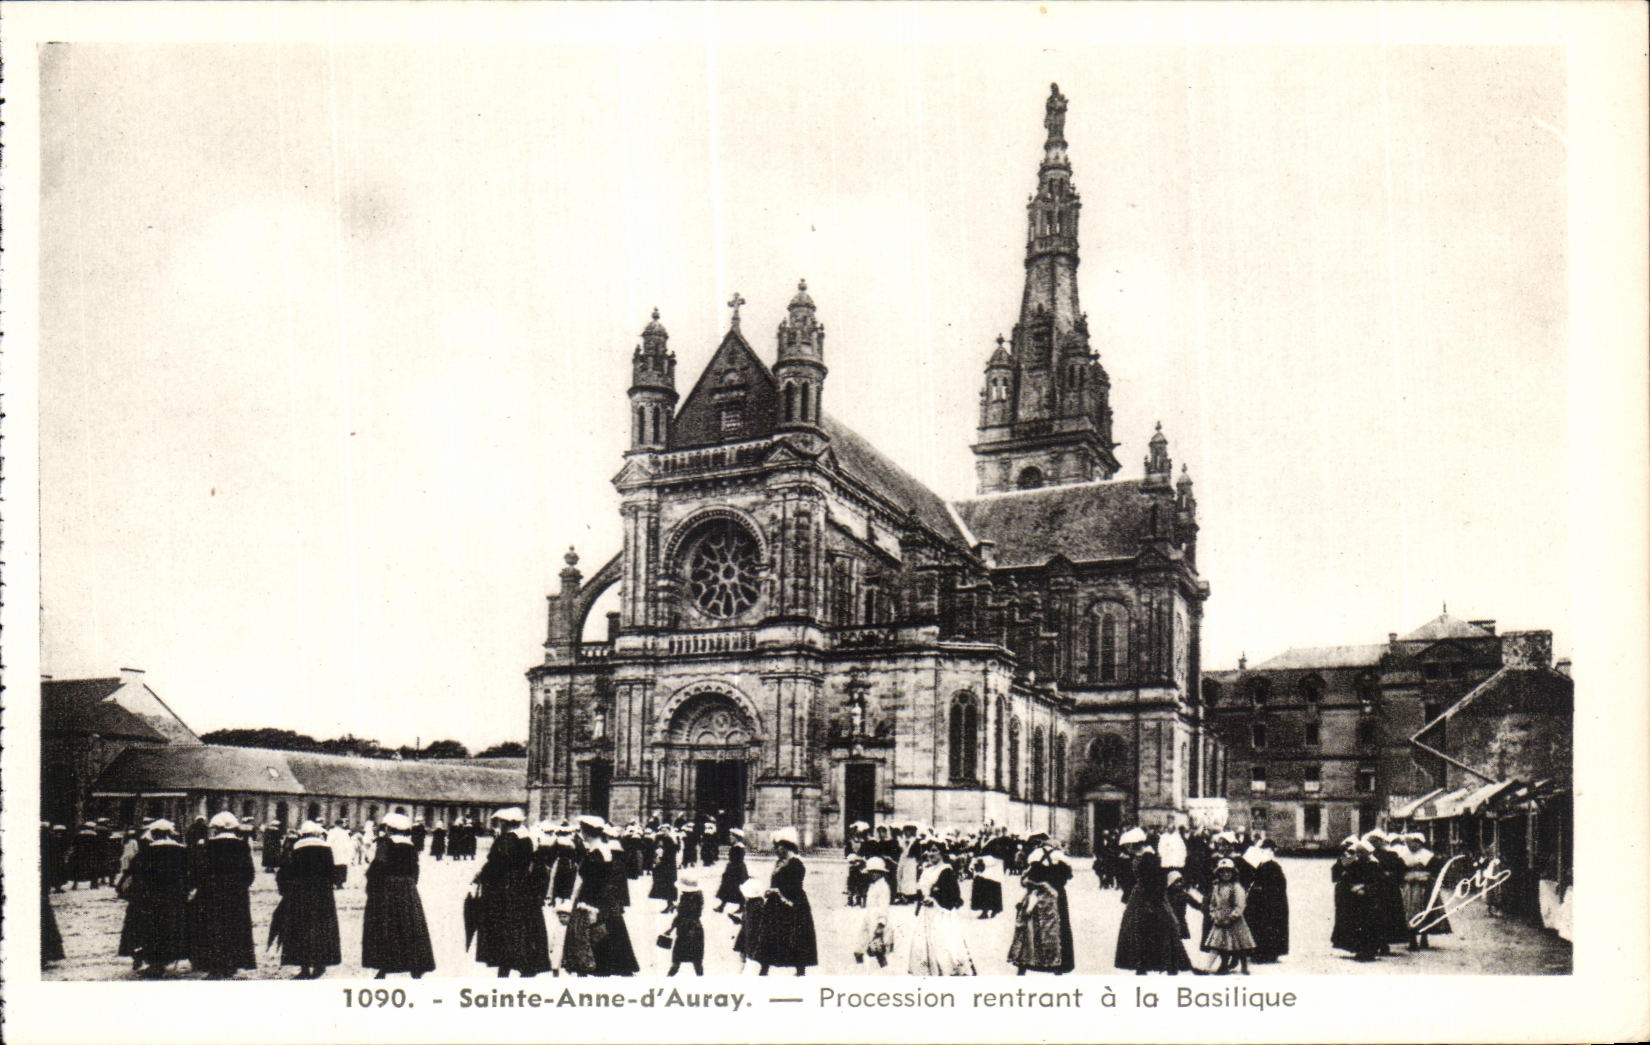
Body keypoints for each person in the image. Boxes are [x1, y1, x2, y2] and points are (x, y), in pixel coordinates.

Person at [472, 808, 552, 978]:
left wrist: (480, 876)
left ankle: (506, 966)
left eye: (500, 822)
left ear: (505, 823)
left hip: (505, 888)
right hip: (524, 887)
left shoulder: (506, 839)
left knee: (504, 928)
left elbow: (496, 865)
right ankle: (524, 966)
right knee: (523, 927)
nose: (499, 825)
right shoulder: (526, 839)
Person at [561, 816, 639, 977]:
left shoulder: (596, 853)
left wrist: (583, 904)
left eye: (582, 829)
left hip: (590, 903)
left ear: (586, 831)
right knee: (606, 941)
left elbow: (590, 882)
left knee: (587, 943)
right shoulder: (602, 850)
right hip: (602, 903)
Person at [363, 813, 437, 979]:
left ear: (389, 828)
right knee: (409, 926)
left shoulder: (385, 843)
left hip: (388, 889)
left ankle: (384, 967)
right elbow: (415, 871)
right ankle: (415, 967)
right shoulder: (410, 846)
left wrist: (371, 883)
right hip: (408, 889)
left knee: (387, 926)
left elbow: (378, 866)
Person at [116, 819, 191, 977]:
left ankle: (155, 963)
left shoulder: (146, 853)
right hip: (174, 899)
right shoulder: (181, 852)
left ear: (155, 834)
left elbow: (134, 874)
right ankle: (167, 959)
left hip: (150, 900)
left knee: (152, 930)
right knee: (171, 929)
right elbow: (189, 874)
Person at [1114, 827, 1192, 975]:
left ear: (1134, 844)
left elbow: (1156, 881)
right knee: (1139, 930)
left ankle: (1162, 964)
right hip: (1140, 897)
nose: (1127, 849)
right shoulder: (1140, 856)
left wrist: (1152, 902)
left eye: (1127, 846)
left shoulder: (1149, 858)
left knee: (1157, 929)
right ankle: (1142, 964)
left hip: (1150, 897)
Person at [189, 811, 257, 979]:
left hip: (212, 896)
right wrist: (239, 887)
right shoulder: (242, 846)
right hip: (237, 897)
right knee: (235, 929)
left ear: (217, 828)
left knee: (213, 929)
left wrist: (202, 887)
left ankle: (215, 966)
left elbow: (200, 871)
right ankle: (232, 964)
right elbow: (250, 873)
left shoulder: (209, 846)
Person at [271, 822, 342, 979]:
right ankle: (320, 964)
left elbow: (287, 870)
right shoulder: (326, 848)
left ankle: (304, 968)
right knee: (321, 928)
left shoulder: (297, 848)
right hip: (323, 894)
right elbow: (332, 872)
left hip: (300, 894)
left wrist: (285, 889)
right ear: (317, 833)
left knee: (301, 928)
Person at [753, 828, 817, 976]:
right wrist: (771, 891)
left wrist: (778, 892)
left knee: (796, 937)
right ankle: (764, 969)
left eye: (778, 846)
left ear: (787, 846)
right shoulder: (780, 862)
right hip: (776, 904)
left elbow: (795, 886)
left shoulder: (796, 863)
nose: (776, 849)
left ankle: (800, 970)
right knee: (770, 935)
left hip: (792, 904)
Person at [1008, 834, 1073, 975]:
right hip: (1056, 896)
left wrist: (1038, 883)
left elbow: (1026, 879)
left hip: (1035, 896)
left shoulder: (1034, 857)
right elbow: (1066, 877)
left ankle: (1024, 964)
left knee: (1029, 929)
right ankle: (1057, 964)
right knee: (1056, 929)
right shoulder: (1061, 858)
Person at [909, 841, 975, 975]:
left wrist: (935, 899)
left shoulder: (946, 870)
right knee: (923, 945)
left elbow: (953, 895)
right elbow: (920, 891)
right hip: (926, 914)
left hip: (941, 914)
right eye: (929, 851)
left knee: (943, 945)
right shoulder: (926, 870)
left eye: (934, 850)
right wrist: (922, 898)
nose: (930, 854)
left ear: (942, 853)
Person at [1331, 837, 1388, 962]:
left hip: (1370, 899)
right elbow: (1346, 877)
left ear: (1368, 853)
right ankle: (1359, 949)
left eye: (1362, 852)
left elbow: (1379, 883)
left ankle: (1370, 950)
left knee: (1370, 925)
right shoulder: (1355, 864)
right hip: (1357, 899)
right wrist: (1352, 887)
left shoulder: (1375, 865)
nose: (1359, 855)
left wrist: (1365, 888)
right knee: (1357, 924)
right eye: (1358, 852)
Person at [1200, 859, 1255, 975]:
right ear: (1218, 873)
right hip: (1220, 919)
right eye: (1223, 872)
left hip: (1234, 921)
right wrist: (1213, 914)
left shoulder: (1236, 887)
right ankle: (1207, 968)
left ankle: (1244, 967)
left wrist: (1232, 916)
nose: (1226, 874)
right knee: (1215, 945)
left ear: (1233, 873)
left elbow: (1240, 904)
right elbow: (1213, 903)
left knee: (1240, 945)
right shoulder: (1217, 887)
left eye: (1228, 872)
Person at [1397, 832, 1452, 948]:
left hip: (1425, 887)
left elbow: (1436, 872)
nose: (1409, 845)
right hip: (1409, 888)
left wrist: (1425, 876)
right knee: (1409, 912)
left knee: (1425, 910)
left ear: (1419, 843)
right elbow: (1400, 871)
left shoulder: (1428, 856)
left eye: (1412, 843)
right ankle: (1412, 938)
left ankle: (1424, 937)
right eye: (1408, 843)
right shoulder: (1403, 856)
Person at [1243, 838, 1290, 963]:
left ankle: (1266, 953)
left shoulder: (1272, 866)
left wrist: (1261, 890)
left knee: (1266, 926)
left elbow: (1277, 885)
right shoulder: (1266, 865)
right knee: (1261, 926)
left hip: (1269, 903)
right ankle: (1261, 951)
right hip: (1264, 901)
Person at [854, 856, 894, 968]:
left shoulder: (883, 887)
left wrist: (881, 924)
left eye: (874, 872)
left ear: (881, 873)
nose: (871, 875)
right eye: (870, 872)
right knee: (859, 948)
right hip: (869, 919)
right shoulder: (873, 885)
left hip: (877, 921)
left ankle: (884, 970)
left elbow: (884, 906)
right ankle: (859, 969)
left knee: (878, 950)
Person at [666, 874, 706, 976]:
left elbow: (683, 915)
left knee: (677, 962)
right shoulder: (694, 897)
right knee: (696, 961)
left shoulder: (690, 898)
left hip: (687, 932)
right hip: (694, 931)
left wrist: (672, 927)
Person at [714, 827, 749, 914]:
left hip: (736, 870)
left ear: (736, 837)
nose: (730, 838)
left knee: (735, 888)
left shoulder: (739, 847)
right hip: (734, 868)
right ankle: (722, 906)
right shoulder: (736, 846)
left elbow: (737, 859)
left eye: (731, 836)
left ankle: (742, 905)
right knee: (727, 888)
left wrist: (731, 868)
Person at [650, 824, 680, 913]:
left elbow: (673, 851)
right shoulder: (659, 839)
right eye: (662, 830)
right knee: (665, 886)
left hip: (669, 867)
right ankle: (670, 904)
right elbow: (654, 849)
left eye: (665, 830)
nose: (664, 832)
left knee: (669, 885)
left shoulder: (671, 840)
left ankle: (671, 904)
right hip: (662, 867)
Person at [326, 820, 352, 889]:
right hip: (342, 852)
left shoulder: (332, 832)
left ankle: (335, 883)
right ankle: (339, 883)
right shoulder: (344, 832)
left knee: (335, 867)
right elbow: (348, 843)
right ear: (340, 824)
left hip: (335, 852)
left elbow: (329, 842)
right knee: (342, 867)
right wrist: (349, 852)